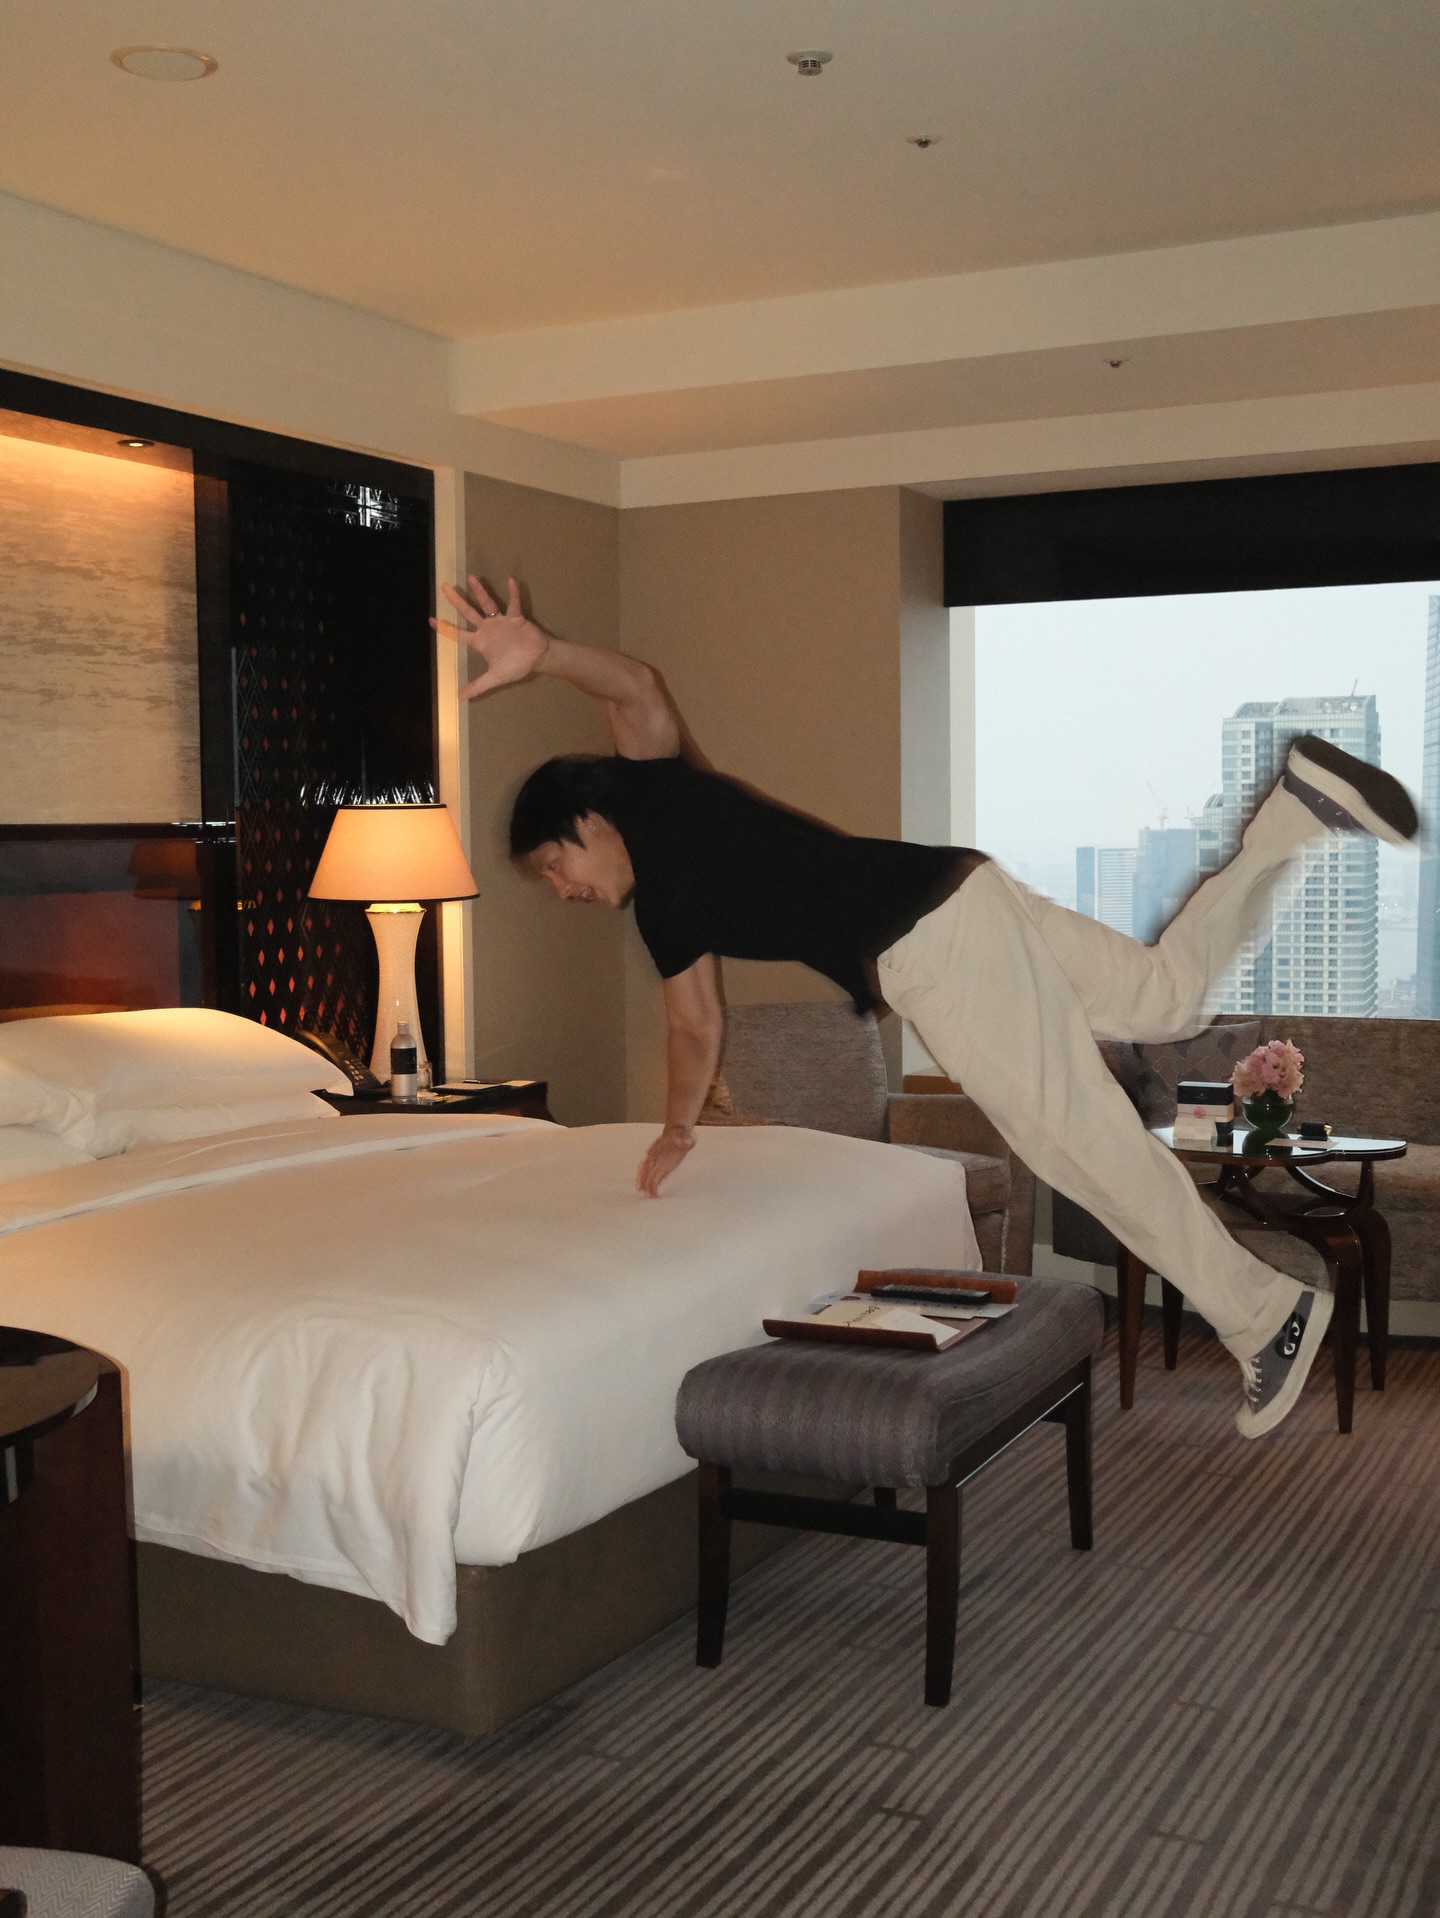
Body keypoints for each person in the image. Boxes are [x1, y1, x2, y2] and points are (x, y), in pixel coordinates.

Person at [434, 575, 1420, 1438]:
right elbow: (696, 1021)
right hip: (962, 890)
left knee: (1080, 1146)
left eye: (553, 865)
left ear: (586, 818)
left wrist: (544, 654)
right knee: (1165, 997)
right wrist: (681, 1122)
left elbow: (634, 689)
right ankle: (1293, 811)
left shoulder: (651, 799)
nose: (562, 890)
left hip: (932, 949)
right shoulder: (661, 877)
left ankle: (1266, 1317)